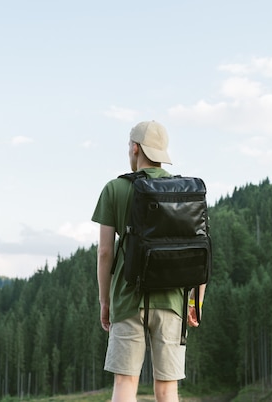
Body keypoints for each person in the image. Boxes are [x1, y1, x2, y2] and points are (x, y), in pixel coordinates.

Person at [92, 120, 206, 402]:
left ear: (135, 148)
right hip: (172, 302)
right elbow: (199, 248)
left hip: (128, 298)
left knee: (125, 384)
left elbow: (105, 252)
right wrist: (196, 302)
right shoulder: (185, 191)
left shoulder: (115, 189)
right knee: (167, 389)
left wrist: (104, 301)